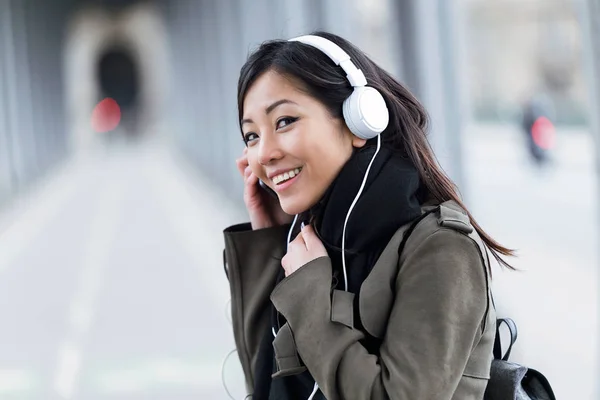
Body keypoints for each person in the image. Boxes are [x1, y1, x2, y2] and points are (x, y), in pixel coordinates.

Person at [222, 31, 514, 400]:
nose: (263, 154)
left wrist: (309, 299)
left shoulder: (440, 249)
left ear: (358, 119)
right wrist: (268, 242)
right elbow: (265, 382)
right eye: (251, 136)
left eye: (284, 122)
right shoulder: (313, 243)